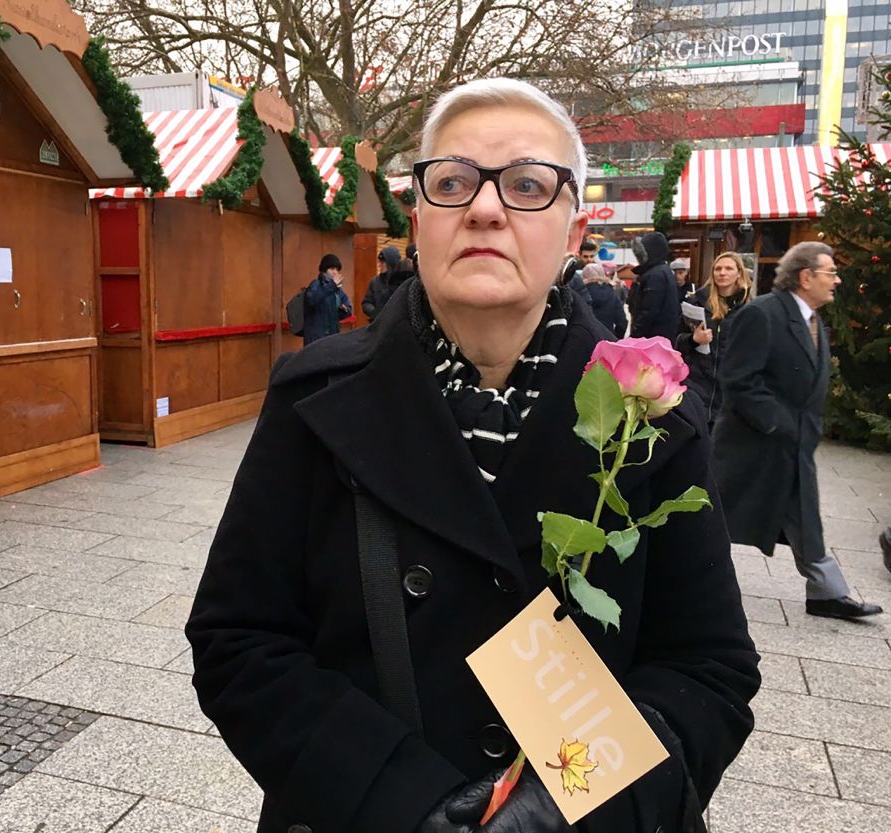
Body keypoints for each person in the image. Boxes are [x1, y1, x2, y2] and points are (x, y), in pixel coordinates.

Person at [187, 78, 758, 833]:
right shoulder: (312, 400)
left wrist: (569, 802)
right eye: (453, 182)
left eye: (527, 184)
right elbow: (239, 640)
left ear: (575, 229)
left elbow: (707, 667)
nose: (485, 208)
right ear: (418, 215)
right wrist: (403, 798)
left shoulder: (657, 417)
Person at [713, 241, 882, 620]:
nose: (837, 280)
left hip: (792, 444)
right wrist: (776, 422)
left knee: (805, 516)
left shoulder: (811, 319)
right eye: (830, 273)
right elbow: (738, 379)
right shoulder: (763, 314)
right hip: (752, 446)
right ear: (806, 277)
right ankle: (675, 572)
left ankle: (826, 591)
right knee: (714, 516)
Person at [674, 252, 751, 429]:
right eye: (718, 269)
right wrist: (694, 339)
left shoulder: (749, 308)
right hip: (698, 383)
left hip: (730, 390)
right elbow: (677, 342)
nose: (722, 273)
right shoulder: (697, 302)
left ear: (739, 273)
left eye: (728, 268)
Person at [627, 232, 680, 343]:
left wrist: (634, 336)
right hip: (662, 338)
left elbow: (648, 311)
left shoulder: (654, 275)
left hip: (652, 339)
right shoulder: (664, 271)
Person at [303, 253, 352, 345]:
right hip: (316, 339)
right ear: (324, 270)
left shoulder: (337, 290)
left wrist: (344, 310)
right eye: (332, 269)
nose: (335, 272)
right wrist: (332, 286)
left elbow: (348, 308)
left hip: (332, 337)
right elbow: (312, 300)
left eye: (337, 269)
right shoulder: (316, 285)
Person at [362, 246, 408, 321]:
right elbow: (366, 303)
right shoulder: (375, 281)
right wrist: (375, 312)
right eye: (379, 262)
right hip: (378, 324)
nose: (379, 265)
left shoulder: (403, 280)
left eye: (382, 262)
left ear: (391, 263)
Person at [581, 262, 626, 337]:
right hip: (607, 338)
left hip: (584, 339)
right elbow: (622, 322)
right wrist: (616, 338)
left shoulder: (579, 294)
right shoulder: (611, 294)